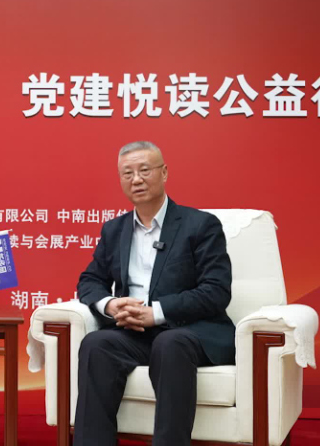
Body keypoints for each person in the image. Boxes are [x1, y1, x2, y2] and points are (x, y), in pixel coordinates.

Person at [74, 141, 234, 446]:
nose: (136, 179)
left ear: (164, 172)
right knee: (96, 344)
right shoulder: (114, 230)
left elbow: (216, 291)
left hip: (189, 332)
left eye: (145, 170)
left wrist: (156, 313)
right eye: (128, 173)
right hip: (135, 334)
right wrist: (111, 305)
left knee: (169, 343)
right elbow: (90, 280)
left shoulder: (200, 225)